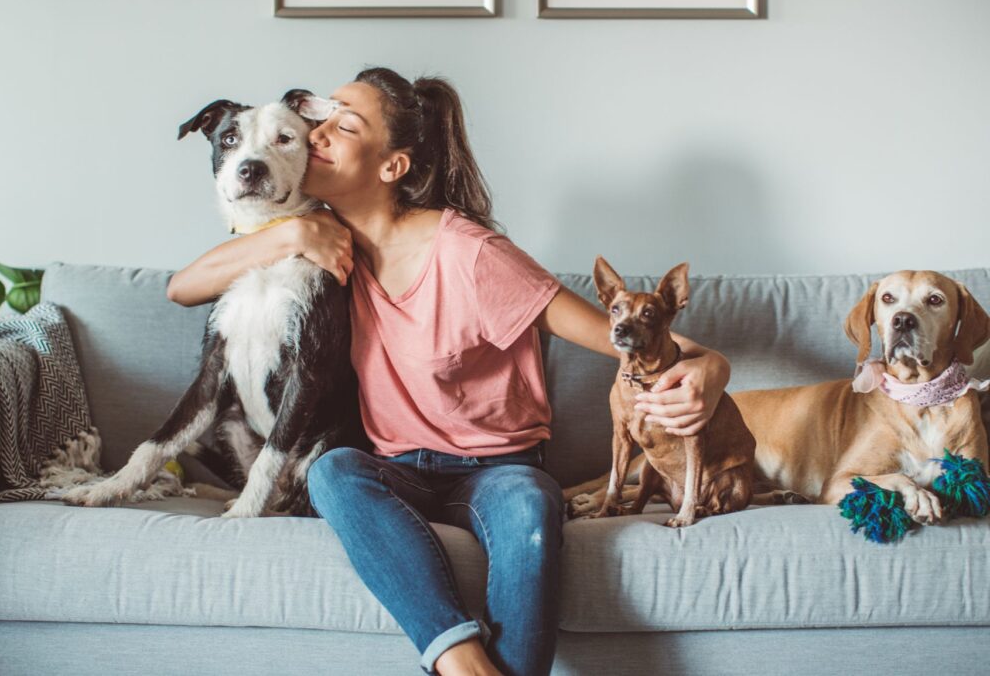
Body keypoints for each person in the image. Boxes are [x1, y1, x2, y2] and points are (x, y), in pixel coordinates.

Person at [166, 67, 731, 676]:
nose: (318, 132)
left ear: (392, 166)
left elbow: (625, 338)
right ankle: (464, 663)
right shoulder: (321, 242)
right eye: (321, 120)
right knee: (333, 471)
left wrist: (716, 368)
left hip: (498, 470)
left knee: (531, 511)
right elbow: (183, 288)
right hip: (394, 467)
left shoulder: (471, 254)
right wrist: (298, 229)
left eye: (343, 124)